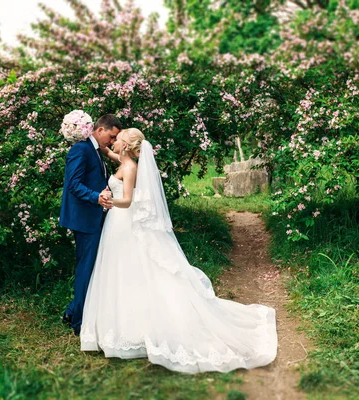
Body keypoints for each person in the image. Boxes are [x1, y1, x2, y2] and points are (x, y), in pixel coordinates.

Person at [80, 128, 278, 373]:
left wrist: (106, 200)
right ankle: (120, 326)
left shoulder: (130, 168)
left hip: (122, 219)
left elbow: (128, 200)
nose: (114, 141)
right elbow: (111, 153)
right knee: (120, 273)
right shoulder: (123, 159)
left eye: (118, 140)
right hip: (116, 225)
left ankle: (137, 329)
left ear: (127, 147)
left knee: (131, 271)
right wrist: (97, 145)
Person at [59, 114, 122, 336]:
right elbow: (73, 184)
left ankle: (72, 312)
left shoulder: (95, 150)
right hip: (85, 219)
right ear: (100, 130)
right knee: (86, 268)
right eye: (111, 136)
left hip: (94, 217)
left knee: (91, 267)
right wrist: (96, 197)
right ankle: (79, 323)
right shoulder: (81, 150)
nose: (112, 141)